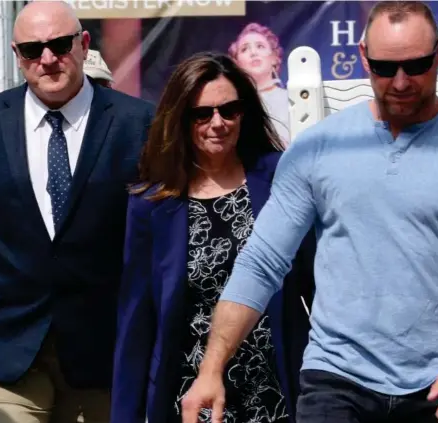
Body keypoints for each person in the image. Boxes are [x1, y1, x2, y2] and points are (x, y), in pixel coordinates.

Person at [182, 2, 438, 423]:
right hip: (336, 377)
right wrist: (210, 369)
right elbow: (261, 263)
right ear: (364, 56)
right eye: (385, 68)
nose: (400, 81)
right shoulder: (317, 148)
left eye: (416, 65)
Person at [0, 2, 155, 423]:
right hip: (2, 349)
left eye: (59, 44)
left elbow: (155, 241)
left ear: (83, 44)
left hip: (102, 352)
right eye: (33, 50)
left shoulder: (139, 123)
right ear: (18, 56)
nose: (48, 59)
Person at [110, 52, 314, 423]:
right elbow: (136, 319)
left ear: (245, 112)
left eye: (229, 110)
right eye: (201, 114)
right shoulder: (152, 202)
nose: (217, 123)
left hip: (277, 387)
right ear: (181, 120)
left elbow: (317, 283)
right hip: (192, 396)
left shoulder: (280, 178)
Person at [229, 23, 290, 145]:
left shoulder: (291, 99)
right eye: (244, 49)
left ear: (274, 58)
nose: (253, 53)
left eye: (260, 46)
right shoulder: (232, 106)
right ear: (236, 63)